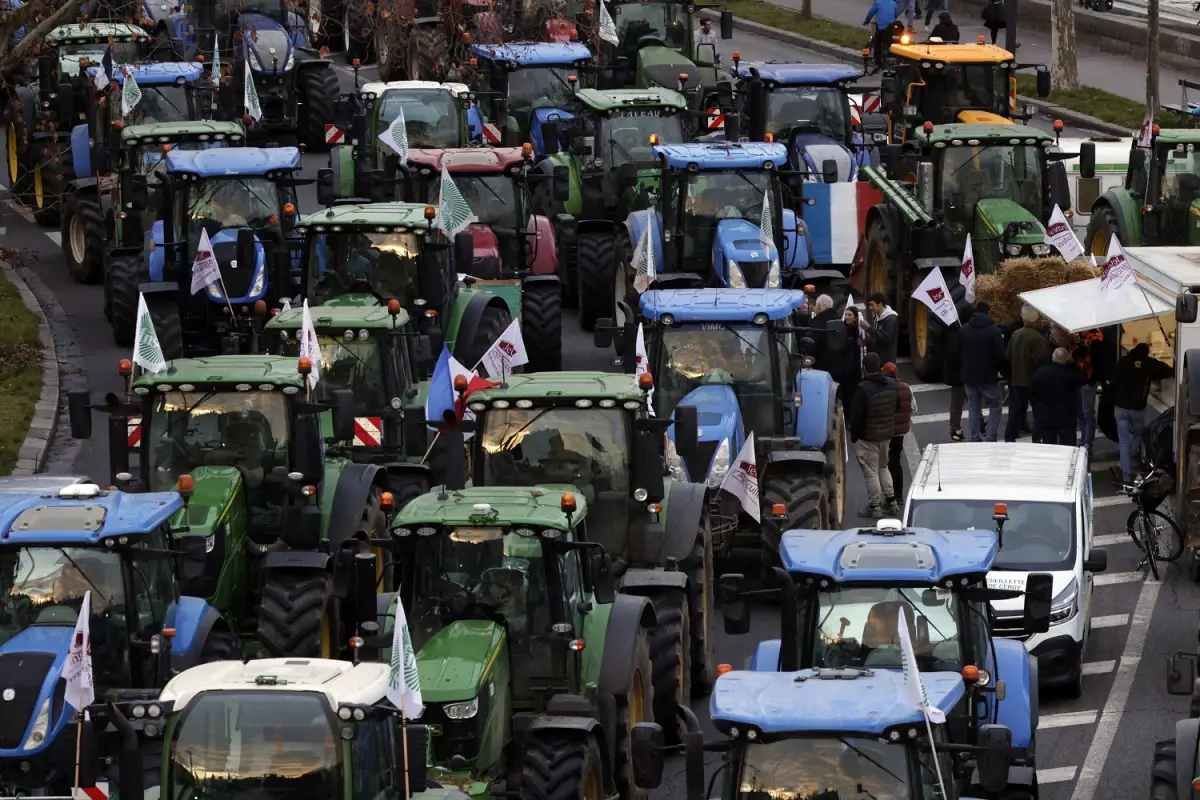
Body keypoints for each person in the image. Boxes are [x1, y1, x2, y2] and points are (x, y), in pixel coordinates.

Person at [1110, 342, 1174, 484]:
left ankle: (1126, 475)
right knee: (1138, 436)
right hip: (1137, 410)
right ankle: (1122, 466)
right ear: (1147, 352)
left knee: (1124, 441)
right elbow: (1169, 371)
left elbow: (1112, 381)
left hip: (1120, 408)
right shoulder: (1150, 363)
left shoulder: (1123, 361)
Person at [850, 352, 899, 518]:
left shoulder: (863, 389)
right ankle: (891, 500)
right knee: (883, 467)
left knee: (871, 472)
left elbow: (856, 417)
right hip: (886, 435)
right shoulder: (892, 384)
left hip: (868, 437)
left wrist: (855, 437)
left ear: (864, 368)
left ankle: (874, 506)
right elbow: (897, 407)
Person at [959, 301, 1006, 442]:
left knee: (973, 406)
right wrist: (1001, 370)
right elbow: (1000, 354)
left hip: (969, 375)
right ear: (988, 312)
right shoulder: (994, 331)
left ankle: (974, 437)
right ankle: (990, 436)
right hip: (988, 376)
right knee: (995, 405)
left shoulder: (964, 329)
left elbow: (958, 351)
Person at [1005, 305, 1050, 443]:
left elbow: (1007, 356)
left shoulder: (1016, 334)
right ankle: (1037, 440)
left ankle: (1009, 438)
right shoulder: (1039, 339)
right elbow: (1042, 361)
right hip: (1034, 381)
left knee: (1015, 411)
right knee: (1039, 413)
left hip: (1017, 379)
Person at [1030, 348, 1087, 445]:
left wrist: (1041, 401)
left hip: (1047, 414)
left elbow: (1033, 391)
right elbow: (1083, 380)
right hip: (1067, 416)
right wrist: (1072, 364)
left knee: (1049, 445)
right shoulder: (1071, 374)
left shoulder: (1041, 372)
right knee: (1068, 445)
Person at [882, 362, 912, 506]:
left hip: (886, 430)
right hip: (900, 432)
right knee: (896, 460)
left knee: (884, 464)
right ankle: (899, 495)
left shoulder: (884, 389)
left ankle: (889, 495)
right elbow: (914, 408)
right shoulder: (906, 387)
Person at [828, 305, 865, 412]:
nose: (847, 317)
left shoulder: (858, 331)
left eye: (850, 315)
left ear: (855, 317)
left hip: (854, 371)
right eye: (846, 314)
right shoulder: (841, 329)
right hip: (842, 370)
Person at [1074, 329, 1106, 450]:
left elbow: (1097, 363)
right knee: (1081, 412)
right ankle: (1085, 438)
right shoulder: (1085, 340)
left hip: (1088, 381)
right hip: (1081, 380)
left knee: (1086, 412)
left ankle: (1088, 440)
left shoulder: (1094, 341)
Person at [943, 305, 967, 441]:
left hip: (957, 374)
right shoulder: (958, 333)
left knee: (958, 403)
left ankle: (955, 428)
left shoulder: (951, 331)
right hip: (960, 374)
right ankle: (955, 428)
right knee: (963, 402)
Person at [864, 292, 900, 366]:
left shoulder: (891, 319)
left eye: (872, 305)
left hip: (887, 361)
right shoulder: (877, 317)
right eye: (869, 305)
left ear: (880, 304)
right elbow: (876, 337)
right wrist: (866, 340)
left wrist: (869, 329)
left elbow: (885, 338)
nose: (870, 308)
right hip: (878, 359)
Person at [863, 0, 899, 69]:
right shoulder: (893, 3)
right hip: (891, 28)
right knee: (892, 41)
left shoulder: (878, 3)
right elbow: (896, 14)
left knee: (877, 43)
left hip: (881, 28)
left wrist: (867, 21)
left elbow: (870, 13)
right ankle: (891, 56)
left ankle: (877, 62)